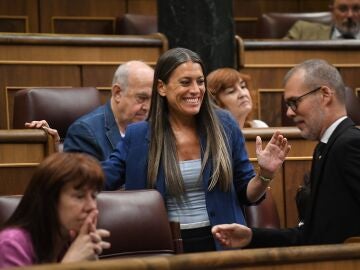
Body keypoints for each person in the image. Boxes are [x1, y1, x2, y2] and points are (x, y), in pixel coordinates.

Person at [101, 47, 291, 253]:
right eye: (185, 82)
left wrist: (265, 174)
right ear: (162, 87)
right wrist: (62, 163)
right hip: (164, 248)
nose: (195, 90)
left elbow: (248, 194)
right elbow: (103, 178)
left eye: (200, 81)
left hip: (223, 244)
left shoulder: (225, 125)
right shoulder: (137, 135)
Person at [212, 59, 360, 249]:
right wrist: (251, 236)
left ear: (324, 95)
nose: (289, 112)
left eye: (294, 102)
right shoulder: (326, 148)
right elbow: (311, 236)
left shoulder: (349, 145)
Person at [26, 60, 154, 160]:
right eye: (141, 98)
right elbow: (85, 185)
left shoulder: (153, 126)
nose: (147, 107)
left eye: (152, 99)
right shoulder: (85, 132)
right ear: (117, 93)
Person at [0, 152, 110, 268]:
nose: (91, 206)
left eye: (93, 196)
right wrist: (70, 263)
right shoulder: (11, 245)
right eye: (79, 196)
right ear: (49, 200)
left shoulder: (71, 239)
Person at [285, 0, 360, 40]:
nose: (350, 15)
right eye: (343, 9)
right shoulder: (303, 32)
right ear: (332, 12)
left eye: (356, 9)